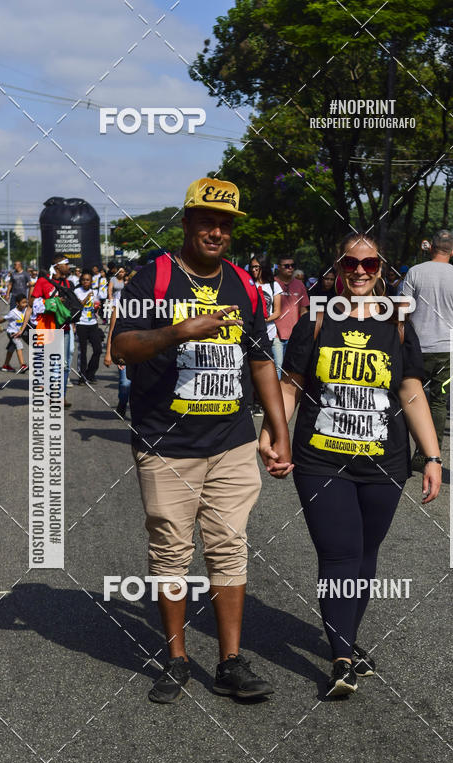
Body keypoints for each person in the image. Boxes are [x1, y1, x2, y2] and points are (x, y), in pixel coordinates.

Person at [111, 177, 292, 704]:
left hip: (232, 441)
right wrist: (178, 331)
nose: (216, 231)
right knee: (171, 550)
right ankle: (176, 658)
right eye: (207, 221)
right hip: (166, 445)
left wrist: (278, 431)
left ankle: (231, 661)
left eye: (225, 224)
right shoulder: (155, 279)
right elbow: (121, 347)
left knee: (229, 547)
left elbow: (261, 360)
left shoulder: (243, 285)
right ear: (187, 222)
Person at [260, 233, 441, 697]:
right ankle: (342, 657)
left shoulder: (398, 323)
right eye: (351, 262)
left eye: (370, 262)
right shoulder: (317, 320)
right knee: (340, 552)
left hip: (385, 460)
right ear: (338, 266)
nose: (360, 270)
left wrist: (433, 456)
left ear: (382, 267)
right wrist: (272, 433)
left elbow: (411, 392)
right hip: (321, 458)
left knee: (365, 554)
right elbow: (291, 385)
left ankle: (346, 637)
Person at [400, 229, 453, 470]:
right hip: (446, 349)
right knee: (438, 403)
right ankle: (429, 456)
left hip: (415, 347)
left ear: (431, 247)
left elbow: (403, 311)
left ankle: (402, 452)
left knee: (406, 399)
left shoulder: (415, 272)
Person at [17, 254, 74, 407]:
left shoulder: (69, 283)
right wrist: (53, 302)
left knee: (66, 363)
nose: (69, 267)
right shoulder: (43, 282)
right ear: (58, 267)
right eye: (66, 264)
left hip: (67, 328)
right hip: (50, 327)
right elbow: (31, 303)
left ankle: (61, 395)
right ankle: (54, 395)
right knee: (54, 363)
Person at [249, 255, 282, 414]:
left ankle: (270, 403)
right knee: (252, 370)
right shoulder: (248, 284)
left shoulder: (274, 286)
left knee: (275, 369)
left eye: (257, 267)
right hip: (252, 335)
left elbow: (278, 312)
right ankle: (254, 402)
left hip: (270, 334)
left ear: (264, 268)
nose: (254, 270)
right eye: (252, 267)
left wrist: (263, 319)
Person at [273, 253, 309, 378]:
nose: (290, 268)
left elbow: (304, 310)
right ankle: (275, 397)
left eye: (292, 265)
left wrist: (304, 330)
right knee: (277, 368)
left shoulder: (299, 285)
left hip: (294, 335)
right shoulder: (272, 283)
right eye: (286, 266)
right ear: (278, 267)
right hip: (275, 334)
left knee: (290, 370)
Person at [74, 270, 103, 385]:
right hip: (81, 324)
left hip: (92, 323)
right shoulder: (77, 291)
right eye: (84, 280)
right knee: (83, 351)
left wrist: (97, 308)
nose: (86, 282)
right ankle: (82, 376)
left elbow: (96, 305)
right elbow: (78, 305)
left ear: (91, 281)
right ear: (81, 281)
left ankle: (90, 374)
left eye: (88, 280)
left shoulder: (94, 292)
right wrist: (87, 297)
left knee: (98, 349)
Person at [0, 294, 29, 373]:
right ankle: (22, 365)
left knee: (11, 348)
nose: (25, 304)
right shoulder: (13, 312)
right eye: (23, 303)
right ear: (17, 303)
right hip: (12, 333)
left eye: (26, 302)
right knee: (18, 344)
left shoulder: (26, 310)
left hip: (19, 332)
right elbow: (4, 319)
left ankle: (6, 365)